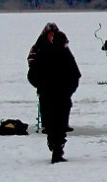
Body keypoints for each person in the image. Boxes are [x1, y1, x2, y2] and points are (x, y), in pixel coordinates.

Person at [26, 28, 81, 164]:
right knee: (61, 124)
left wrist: (40, 86)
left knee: (51, 123)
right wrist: (70, 90)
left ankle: (53, 145)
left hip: (46, 95)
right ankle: (58, 149)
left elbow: (31, 75)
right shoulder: (66, 54)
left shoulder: (42, 53)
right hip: (62, 94)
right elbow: (75, 74)